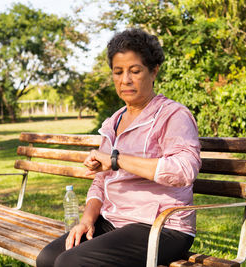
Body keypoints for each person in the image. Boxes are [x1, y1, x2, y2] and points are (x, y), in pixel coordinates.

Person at [36, 28, 201, 267]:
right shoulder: (113, 121)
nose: (125, 80)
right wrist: (86, 220)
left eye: (135, 71)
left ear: (153, 71)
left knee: (71, 263)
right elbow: (100, 181)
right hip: (115, 220)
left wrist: (116, 159)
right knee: (48, 258)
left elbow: (184, 171)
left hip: (162, 226)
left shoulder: (173, 115)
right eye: (118, 72)